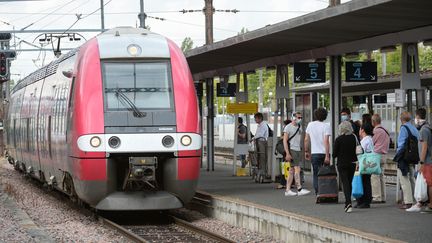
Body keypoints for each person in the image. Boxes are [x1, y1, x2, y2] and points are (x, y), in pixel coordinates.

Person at [406, 108, 432, 212]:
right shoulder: (428, 127)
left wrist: (421, 162)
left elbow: (424, 146)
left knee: (430, 183)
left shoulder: (423, 130)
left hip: (427, 161)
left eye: (415, 117)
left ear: (417, 117)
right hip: (429, 160)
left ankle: (430, 204)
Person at [394, 111, 419, 209]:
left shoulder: (404, 128)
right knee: (412, 177)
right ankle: (415, 199)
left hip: (404, 156)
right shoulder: (414, 128)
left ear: (401, 119)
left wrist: (398, 156)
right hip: (412, 156)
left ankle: (408, 201)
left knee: (404, 178)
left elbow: (401, 144)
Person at [304, 107, 331, 195]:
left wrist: (306, 151)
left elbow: (306, 139)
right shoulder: (326, 126)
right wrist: (327, 156)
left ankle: (318, 193)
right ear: (325, 116)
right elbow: (326, 141)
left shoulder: (310, 125)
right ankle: (325, 191)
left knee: (316, 174)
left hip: (314, 153)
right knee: (326, 174)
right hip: (324, 153)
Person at [283, 112, 310, 196]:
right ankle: (299, 188)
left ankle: (288, 190)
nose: (300, 119)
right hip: (292, 149)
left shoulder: (299, 126)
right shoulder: (288, 127)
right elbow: (285, 140)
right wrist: (287, 153)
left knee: (291, 171)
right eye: (298, 117)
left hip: (298, 149)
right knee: (297, 168)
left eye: (301, 117)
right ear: (293, 117)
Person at [333, 121, 357, 213]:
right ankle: (348, 202)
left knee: (345, 182)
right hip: (352, 163)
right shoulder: (354, 138)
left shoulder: (338, 139)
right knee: (349, 182)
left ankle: (348, 203)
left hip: (342, 164)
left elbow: (334, 154)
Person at [371, 114, 390, 203]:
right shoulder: (385, 130)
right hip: (384, 155)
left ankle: (376, 197)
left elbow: (372, 142)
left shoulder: (376, 131)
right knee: (381, 176)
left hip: (376, 155)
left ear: (373, 122)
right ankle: (383, 196)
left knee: (375, 176)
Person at [356, 123, 374, 208]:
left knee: (363, 182)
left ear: (362, 130)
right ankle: (363, 201)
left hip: (364, 163)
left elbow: (360, 153)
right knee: (366, 182)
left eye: (360, 129)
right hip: (368, 163)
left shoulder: (365, 140)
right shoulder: (370, 139)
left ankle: (364, 201)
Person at [276, 119, 291, 189]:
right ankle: (291, 182)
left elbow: (284, 138)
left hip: (286, 150)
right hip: (293, 149)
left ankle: (283, 183)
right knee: (291, 167)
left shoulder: (287, 130)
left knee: (285, 166)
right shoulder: (294, 129)